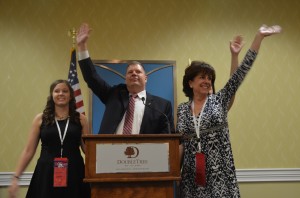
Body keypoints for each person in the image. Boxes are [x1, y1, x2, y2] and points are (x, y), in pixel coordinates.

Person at [177, 25, 282, 198]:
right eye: (202, 77)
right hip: (192, 177)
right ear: (190, 83)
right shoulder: (181, 110)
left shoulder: (218, 101)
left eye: (210, 78)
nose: (207, 81)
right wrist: (174, 172)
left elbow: (239, 75)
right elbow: (180, 144)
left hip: (220, 175)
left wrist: (258, 37)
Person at [76, 23, 175, 134]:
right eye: (130, 72)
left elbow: (167, 137)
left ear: (146, 78)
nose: (134, 74)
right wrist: (82, 46)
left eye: (138, 72)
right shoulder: (113, 95)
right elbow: (91, 77)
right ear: (125, 79)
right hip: (110, 149)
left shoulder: (162, 106)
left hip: (145, 151)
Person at [8, 80, 91, 198]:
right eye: (57, 91)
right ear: (52, 95)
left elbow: (87, 150)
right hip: (46, 172)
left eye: (65, 91)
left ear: (71, 95)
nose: (61, 93)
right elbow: (28, 151)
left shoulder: (81, 119)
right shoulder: (40, 119)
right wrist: (16, 177)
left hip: (75, 172)